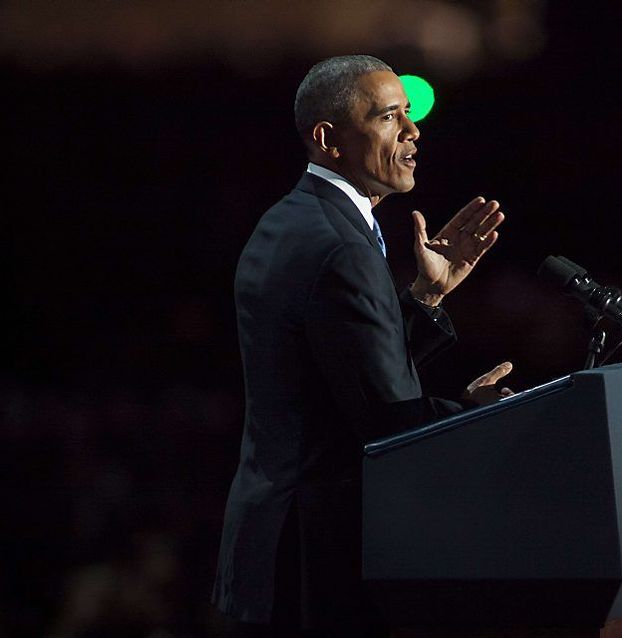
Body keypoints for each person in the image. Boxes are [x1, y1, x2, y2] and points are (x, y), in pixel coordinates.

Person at [212, 55, 512, 637]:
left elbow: (336, 368)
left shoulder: (290, 219)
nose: (412, 131)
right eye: (388, 117)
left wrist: (425, 296)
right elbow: (387, 420)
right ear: (328, 139)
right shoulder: (343, 247)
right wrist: (474, 417)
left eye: (409, 114)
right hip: (317, 561)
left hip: (277, 540)